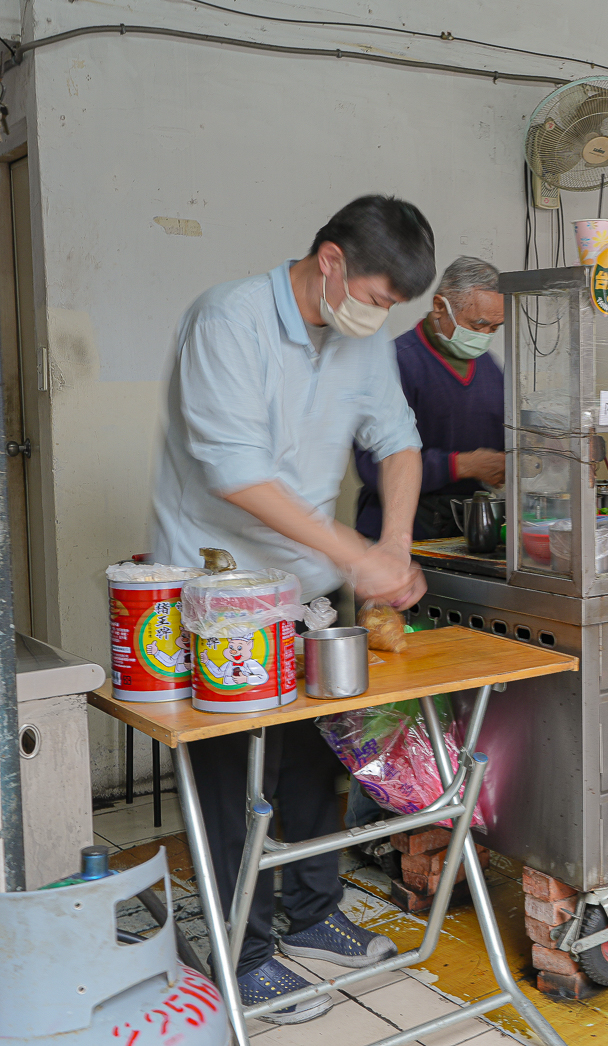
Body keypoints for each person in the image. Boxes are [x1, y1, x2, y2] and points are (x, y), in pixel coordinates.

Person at [150, 194, 434, 1025]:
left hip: (308, 586)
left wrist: (401, 543)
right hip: (218, 589)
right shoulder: (228, 320)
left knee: (317, 756)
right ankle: (242, 951)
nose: (381, 316)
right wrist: (360, 554)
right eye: (379, 296)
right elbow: (234, 471)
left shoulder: (360, 339)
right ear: (332, 259)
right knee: (239, 773)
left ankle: (313, 913)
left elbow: (399, 439)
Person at [354, 255, 506, 541]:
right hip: (398, 535)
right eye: (477, 326)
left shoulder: (490, 369)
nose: (485, 337)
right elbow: (372, 466)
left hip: (465, 532)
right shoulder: (393, 363)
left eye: (494, 328)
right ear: (440, 307)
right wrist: (461, 465)